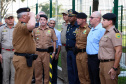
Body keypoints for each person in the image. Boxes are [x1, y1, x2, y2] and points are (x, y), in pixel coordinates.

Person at [12, 7, 36, 84]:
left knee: (24, 81)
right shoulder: (21, 26)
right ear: (24, 16)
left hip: (25, 59)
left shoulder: (22, 25)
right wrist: (32, 16)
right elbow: (32, 25)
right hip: (23, 60)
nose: (30, 16)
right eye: (28, 15)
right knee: (23, 82)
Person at [33, 15, 57, 84]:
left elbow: (54, 41)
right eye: (41, 20)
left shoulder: (51, 30)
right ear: (39, 21)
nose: (42, 21)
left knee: (47, 72)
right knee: (38, 72)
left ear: (46, 21)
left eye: (44, 20)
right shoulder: (35, 30)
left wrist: (54, 52)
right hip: (37, 53)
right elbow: (32, 41)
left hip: (47, 54)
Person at [98, 13, 122, 84]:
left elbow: (119, 51)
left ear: (110, 22)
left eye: (104, 20)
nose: (102, 22)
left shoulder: (115, 33)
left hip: (110, 64)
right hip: (102, 64)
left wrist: (114, 68)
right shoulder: (106, 33)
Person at [86, 11, 106, 84]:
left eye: (91, 17)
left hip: (96, 57)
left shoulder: (101, 29)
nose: (90, 19)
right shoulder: (92, 29)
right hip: (90, 57)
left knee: (96, 78)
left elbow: (103, 44)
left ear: (98, 19)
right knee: (92, 77)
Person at [76, 12, 91, 84]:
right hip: (78, 53)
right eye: (77, 18)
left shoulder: (89, 29)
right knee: (80, 74)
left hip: (85, 54)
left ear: (84, 20)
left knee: (86, 74)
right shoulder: (78, 29)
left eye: (79, 18)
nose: (77, 20)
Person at [66, 9, 80, 84]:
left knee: (75, 70)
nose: (69, 18)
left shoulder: (78, 27)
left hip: (75, 51)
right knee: (70, 70)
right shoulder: (69, 26)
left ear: (75, 17)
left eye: (71, 16)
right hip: (68, 51)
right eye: (69, 16)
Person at [0, 13, 15, 84]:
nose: (10, 20)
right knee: (5, 73)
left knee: (14, 74)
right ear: (5, 20)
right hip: (5, 52)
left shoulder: (17, 28)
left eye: (11, 18)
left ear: (14, 19)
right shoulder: (1, 29)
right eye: (8, 18)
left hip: (15, 53)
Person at [48, 18, 62, 84]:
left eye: (53, 23)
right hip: (46, 51)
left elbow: (59, 44)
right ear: (48, 23)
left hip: (54, 50)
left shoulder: (57, 32)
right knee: (46, 67)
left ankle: (54, 82)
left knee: (54, 68)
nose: (52, 24)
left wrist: (57, 54)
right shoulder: (45, 31)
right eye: (51, 23)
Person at [61, 10, 69, 84]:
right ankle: (65, 81)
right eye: (63, 15)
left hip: (68, 48)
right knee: (63, 65)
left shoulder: (71, 25)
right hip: (63, 47)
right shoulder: (63, 24)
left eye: (65, 15)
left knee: (68, 66)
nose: (64, 16)